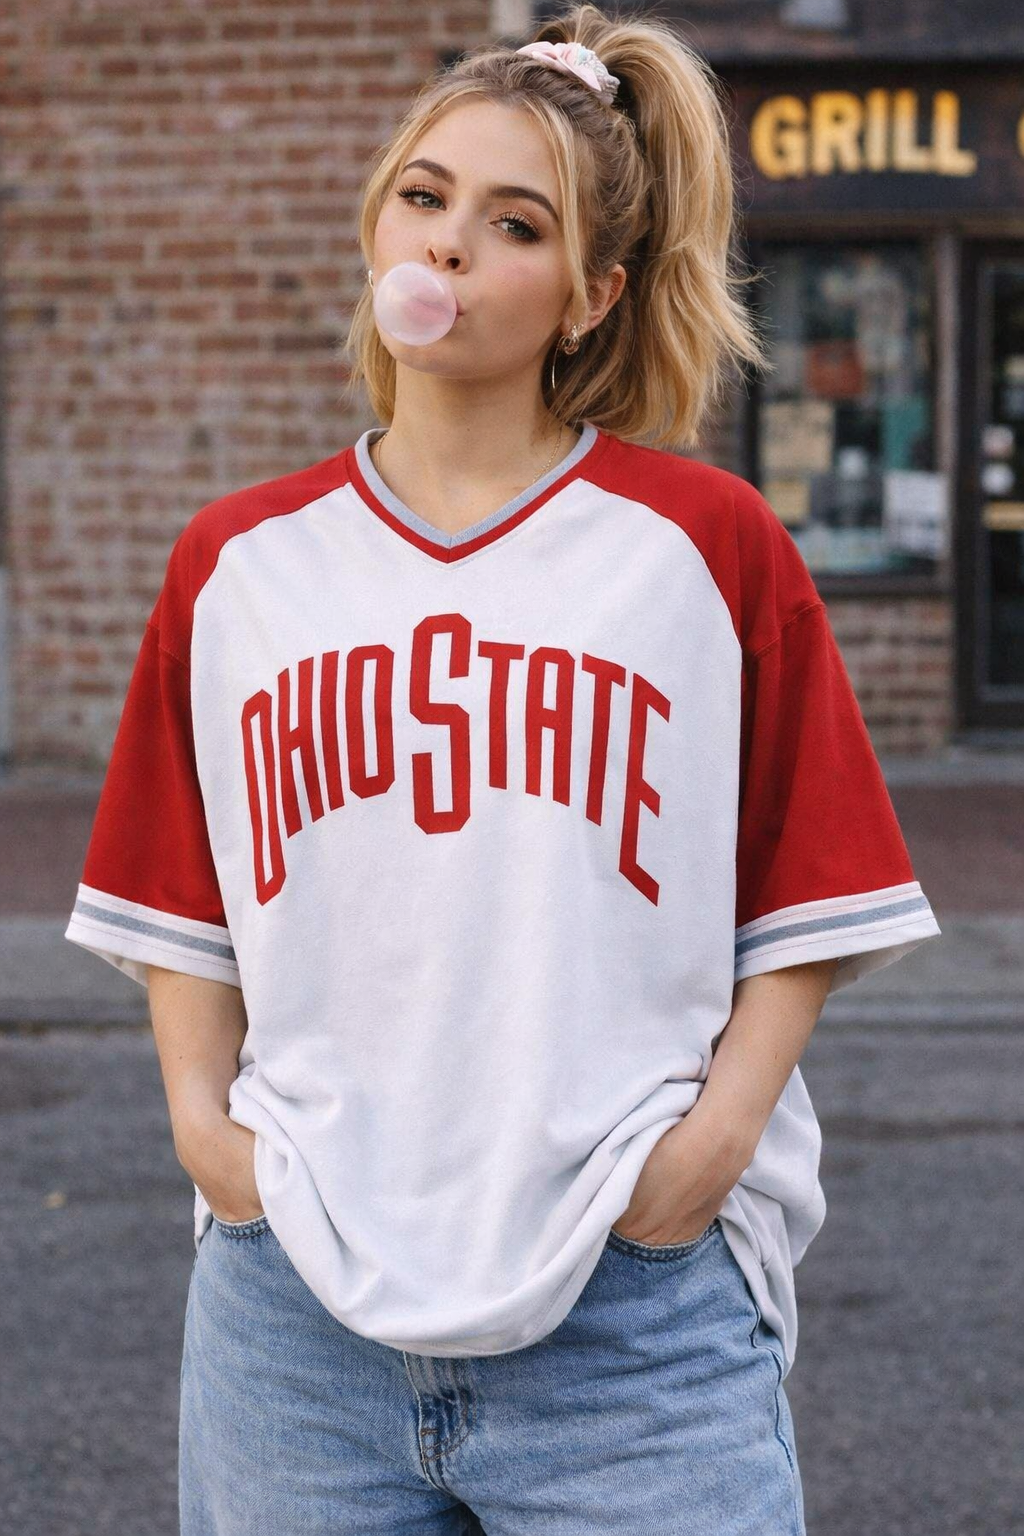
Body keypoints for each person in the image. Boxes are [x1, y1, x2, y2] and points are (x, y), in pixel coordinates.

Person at [64, 4, 941, 1532]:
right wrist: (213, 1143)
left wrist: (706, 1153)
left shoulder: (704, 546)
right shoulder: (237, 564)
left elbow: (810, 895)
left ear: (593, 297)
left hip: (631, 1316)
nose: (450, 243)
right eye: (426, 195)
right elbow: (179, 908)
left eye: (515, 222)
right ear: (378, 220)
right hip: (295, 1323)